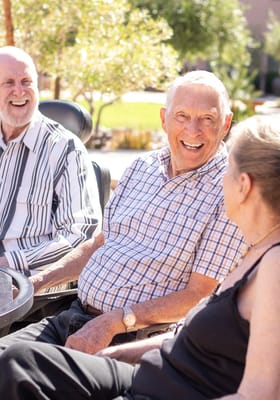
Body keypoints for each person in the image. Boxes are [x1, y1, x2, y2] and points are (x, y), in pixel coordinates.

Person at [0, 115, 280, 400]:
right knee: (19, 362)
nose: (220, 181)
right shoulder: (259, 251)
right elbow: (196, 343)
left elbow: (261, 394)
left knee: (18, 371)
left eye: (227, 171)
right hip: (153, 370)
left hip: (165, 390)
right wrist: (116, 356)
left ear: (244, 186)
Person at [0, 69, 243, 352]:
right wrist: (33, 283)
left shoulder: (229, 192)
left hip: (131, 338)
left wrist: (115, 322)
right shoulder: (143, 167)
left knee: (12, 371)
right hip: (72, 314)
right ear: (164, 119)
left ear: (225, 124)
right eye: (182, 116)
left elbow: (198, 295)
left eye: (207, 119)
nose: (193, 130)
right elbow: (100, 244)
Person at [0, 46, 101, 275]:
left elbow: (81, 235)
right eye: (8, 83)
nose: (19, 91)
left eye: (26, 81)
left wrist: (8, 264)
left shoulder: (66, 150)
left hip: (26, 283)